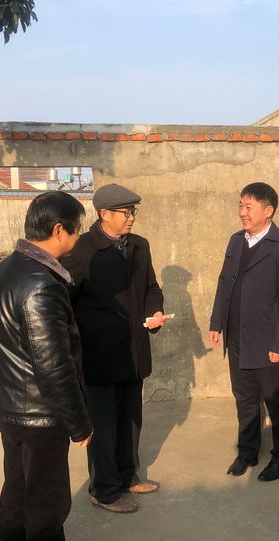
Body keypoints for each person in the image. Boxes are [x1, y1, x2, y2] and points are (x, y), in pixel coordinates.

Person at [0, 191, 93, 541]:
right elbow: (54, 366)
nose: (78, 238)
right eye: (76, 230)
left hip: (10, 410)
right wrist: (79, 424)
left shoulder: (7, 269)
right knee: (45, 503)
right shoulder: (41, 286)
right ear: (58, 230)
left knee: (16, 494)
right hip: (39, 416)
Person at [61, 183, 169, 514]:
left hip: (133, 351)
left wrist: (155, 312)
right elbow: (65, 302)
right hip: (99, 356)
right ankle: (104, 490)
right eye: (125, 212)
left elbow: (152, 288)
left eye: (133, 211)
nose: (131, 217)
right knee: (103, 426)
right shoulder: (82, 250)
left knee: (130, 420)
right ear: (104, 214)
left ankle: (127, 476)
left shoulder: (139, 246)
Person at [208, 182, 279, 482]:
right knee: (244, 398)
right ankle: (247, 452)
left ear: (268, 210)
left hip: (266, 341)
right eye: (240, 205)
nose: (242, 212)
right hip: (237, 337)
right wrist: (216, 322)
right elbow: (224, 283)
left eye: (249, 206)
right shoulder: (236, 241)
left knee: (274, 400)